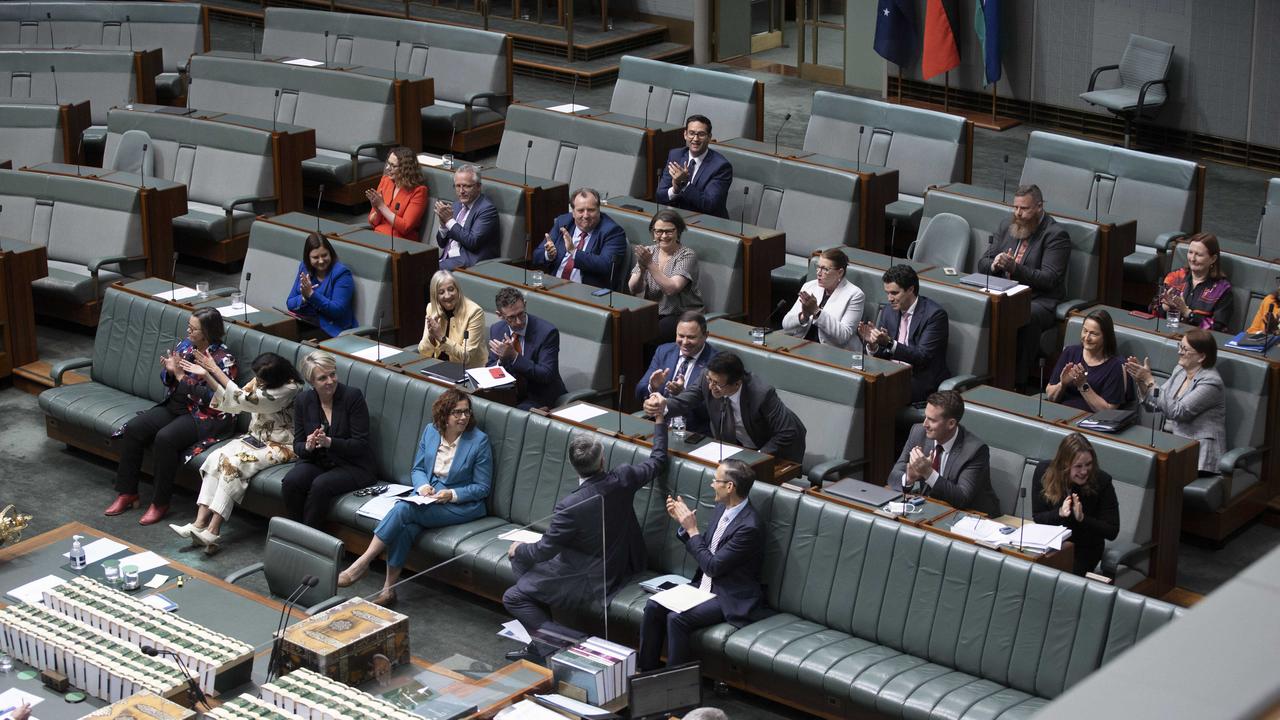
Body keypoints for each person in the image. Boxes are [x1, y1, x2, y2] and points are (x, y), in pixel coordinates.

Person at [503, 418, 669, 662]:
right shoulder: (624, 478)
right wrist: (660, 420)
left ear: (572, 465)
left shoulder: (569, 507)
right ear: (602, 460)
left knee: (514, 594)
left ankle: (561, 641)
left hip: (590, 575)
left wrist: (519, 548)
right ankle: (542, 642)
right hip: (623, 562)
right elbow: (658, 460)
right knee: (524, 570)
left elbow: (543, 551)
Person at [338, 390, 493, 607]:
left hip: (462, 504)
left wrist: (452, 494)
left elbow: (482, 487)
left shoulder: (479, 441)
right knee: (405, 528)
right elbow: (418, 468)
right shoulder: (431, 431)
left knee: (404, 510)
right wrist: (422, 486)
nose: (463, 417)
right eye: (457, 412)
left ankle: (362, 562)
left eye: (467, 411)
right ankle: (388, 589)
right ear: (444, 415)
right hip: (429, 497)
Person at [105, 308, 238, 526]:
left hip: (204, 415)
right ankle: (127, 493)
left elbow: (217, 400)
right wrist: (169, 371)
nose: (188, 331)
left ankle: (160, 503)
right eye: (189, 326)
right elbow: (168, 380)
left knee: (165, 439)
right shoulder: (185, 346)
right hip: (177, 404)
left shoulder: (224, 360)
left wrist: (180, 377)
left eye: (193, 329)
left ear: (206, 333)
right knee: (135, 428)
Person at [637, 459, 770, 671]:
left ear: (729, 487)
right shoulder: (721, 507)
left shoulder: (750, 527)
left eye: (716, 480)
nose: (711, 484)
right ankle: (646, 673)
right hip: (704, 585)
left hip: (729, 595)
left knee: (677, 619)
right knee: (653, 605)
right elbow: (707, 547)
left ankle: (674, 688)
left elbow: (713, 566)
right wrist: (685, 527)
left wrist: (693, 530)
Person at [170, 352, 304, 548]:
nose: (257, 380)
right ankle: (198, 524)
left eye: (260, 378)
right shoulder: (264, 378)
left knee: (234, 464)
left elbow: (245, 399)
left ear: (275, 376)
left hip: (282, 445)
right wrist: (208, 376)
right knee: (216, 457)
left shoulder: (290, 388)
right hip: (255, 437)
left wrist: (214, 370)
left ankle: (213, 531)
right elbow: (235, 401)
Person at [976, 184, 1071, 388]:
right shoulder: (1006, 225)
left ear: (1039, 207)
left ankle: (1015, 382)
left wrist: (1015, 268)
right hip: (1003, 290)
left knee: (1023, 315)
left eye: (1024, 209)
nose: (1018, 214)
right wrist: (994, 265)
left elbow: (1049, 279)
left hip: (1038, 300)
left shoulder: (1055, 235)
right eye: (1016, 208)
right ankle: (982, 373)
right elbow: (982, 262)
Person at [645, 352, 806, 464]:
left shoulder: (761, 394)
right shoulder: (707, 379)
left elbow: (787, 431)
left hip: (776, 451)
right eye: (710, 380)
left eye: (717, 384)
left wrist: (756, 458)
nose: (711, 387)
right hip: (740, 448)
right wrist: (662, 405)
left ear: (737, 383)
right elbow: (685, 401)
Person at [282, 351, 375, 528]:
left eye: (332, 374)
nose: (330, 381)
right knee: (291, 481)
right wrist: (308, 446)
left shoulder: (352, 397)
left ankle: (309, 539)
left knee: (320, 485)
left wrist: (329, 442)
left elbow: (361, 445)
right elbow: (298, 445)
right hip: (318, 462)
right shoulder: (303, 400)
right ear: (312, 382)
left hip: (353, 465)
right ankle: (295, 532)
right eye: (322, 378)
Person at [1125, 329, 1227, 474]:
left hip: (1196, 454)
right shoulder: (1180, 370)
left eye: (1185, 349)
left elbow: (1178, 412)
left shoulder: (1211, 382)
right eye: (1179, 346)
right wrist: (1142, 382)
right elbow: (1154, 404)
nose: (1179, 352)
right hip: (1170, 444)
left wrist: (1149, 380)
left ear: (1201, 356)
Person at [888, 391, 1000, 516]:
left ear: (951, 424)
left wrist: (928, 473)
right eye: (925, 417)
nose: (925, 424)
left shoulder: (975, 451)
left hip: (972, 519)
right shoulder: (918, 433)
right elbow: (893, 477)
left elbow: (962, 498)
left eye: (932, 420)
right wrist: (909, 478)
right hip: (930, 511)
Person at [858, 264, 950, 402]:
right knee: (858, 386)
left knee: (875, 396)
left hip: (918, 379)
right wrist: (873, 346)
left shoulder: (934, 315)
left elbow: (922, 357)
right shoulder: (888, 311)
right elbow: (883, 353)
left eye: (894, 293)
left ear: (911, 289)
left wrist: (889, 343)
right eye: (887, 293)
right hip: (890, 373)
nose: (889, 298)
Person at [1031, 433, 1120, 576]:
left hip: (1084, 551)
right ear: (1064, 465)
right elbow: (1038, 517)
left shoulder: (1102, 482)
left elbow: (1112, 531)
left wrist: (1083, 519)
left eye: (1089, 464)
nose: (1084, 471)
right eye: (1078, 466)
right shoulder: (1044, 472)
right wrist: (1059, 513)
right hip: (1051, 545)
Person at [635, 311, 719, 434]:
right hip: (659, 425)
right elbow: (639, 391)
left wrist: (683, 394)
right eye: (681, 336)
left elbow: (713, 411)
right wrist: (652, 387)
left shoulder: (715, 363)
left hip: (694, 432)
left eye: (691, 337)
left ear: (705, 335)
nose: (684, 342)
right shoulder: (664, 351)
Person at [628, 209, 705, 339]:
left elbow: (671, 289)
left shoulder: (687, 255)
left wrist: (649, 264)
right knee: (625, 325)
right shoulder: (649, 251)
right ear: (653, 233)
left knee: (655, 332)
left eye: (669, 231)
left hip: (682, 315)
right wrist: (641, 269)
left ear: (678, 232)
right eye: (659, 231)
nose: (663, 236)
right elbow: (633, 288)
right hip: (653, 312)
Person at [487, 287, 567, 410]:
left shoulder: (547, 332)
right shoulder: (496, 330)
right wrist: (501, 361)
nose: (518, 321)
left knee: (516, 414)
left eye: (521, 314)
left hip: (539, 396)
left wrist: (514, 357)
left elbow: (546, 374)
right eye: (512, 317)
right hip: (510, 393)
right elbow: (491, 367)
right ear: (500, 315)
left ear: (524, 304)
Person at [532, 187, 627, 290]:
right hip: (553, 286)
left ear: (599, 209)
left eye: (591, 210)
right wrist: (549, 255)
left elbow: (607, 266)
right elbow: (536, 256)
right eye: (580, 210)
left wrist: (574, 251)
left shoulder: (613, 232)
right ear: (573, 212)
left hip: (586, 292)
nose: (585, 215)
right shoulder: (563, 222)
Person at [1046, 309, 1133, 412]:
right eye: (1085, 331)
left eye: (1094, 334)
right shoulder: (1070, 352)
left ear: (1106, 337)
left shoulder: (1116, 366)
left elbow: (1108, 411)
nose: (1087, 338)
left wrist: (1083, 385)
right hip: (1060, 414)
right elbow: (1050, 396)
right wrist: (1062, 384)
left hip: (1089, 422)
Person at [782, 248, 863, 350]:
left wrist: (816, 311)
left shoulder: (855, 295)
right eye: (818, 267)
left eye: (825, 269)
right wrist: (804, 316)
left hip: (833, 351)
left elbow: (843, 335)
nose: (819, 273)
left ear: (840, 272)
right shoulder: (809, 286)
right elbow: (786, 324)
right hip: (803, 344)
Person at [654, 114, 733, 218]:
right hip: (677, 219)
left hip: (707, 223)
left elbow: (710, 205)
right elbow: (660, 196)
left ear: (709, 137)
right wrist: (675, 189)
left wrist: (684, 184)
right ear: (685, 135)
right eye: (691, 133)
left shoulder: (721, 166)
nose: (695, 139)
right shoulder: (676, 155)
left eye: (701, 134)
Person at [1153, 233, 1234, 333]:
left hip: (1199, 343)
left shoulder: (1222, 289)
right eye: (1190, 252)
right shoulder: (1174, 277)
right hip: (1167, 334)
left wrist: (1188, 313)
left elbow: (1218, 328)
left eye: (1199, 255)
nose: (1192, 259)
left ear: (1213, 259)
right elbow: (1152, 310)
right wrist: (1164, 308)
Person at [285, 232, 356, 337]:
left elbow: (337, 310)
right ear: (308, 258)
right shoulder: (305, 268)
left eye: (324, 255)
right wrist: (304, 298)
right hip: (307, 322)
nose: (321, 261)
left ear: (330, 253)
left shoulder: (341, 274)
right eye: (315, 257)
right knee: (279, 330)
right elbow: (290, 303)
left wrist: (311, 295)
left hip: (333, 329)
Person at [435, 164, 500, 271]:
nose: (461, 191)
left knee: (427, 269)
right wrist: (443, 225)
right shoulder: (456, 205)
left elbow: (472, 242)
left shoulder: (487, 210)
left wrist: (449, 221)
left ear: (478, 187)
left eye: (466, 186)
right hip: (447, 257)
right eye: (458, 186)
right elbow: (442, 244)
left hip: (469, 262)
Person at [418, 270, 486, 367]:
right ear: (435, 296)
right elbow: (423, 352)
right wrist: (431, 336)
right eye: (441, 292)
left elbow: (466, 356)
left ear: (457, 290)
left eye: (451, 289)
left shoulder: (474, 312)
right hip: (439, 365)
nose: (447, 295)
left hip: (467, 371)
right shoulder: (431, 308)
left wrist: (441, 337)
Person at [366, 146, 428, 243]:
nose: (387, 168)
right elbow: (372, 222)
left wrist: (382, 206)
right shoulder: (385, 181)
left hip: (400, 242)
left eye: (393, 166)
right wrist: (377, 210)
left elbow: (405, 227)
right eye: (388, 164)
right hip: (377, 237)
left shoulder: (419, 191)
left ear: (406, 169)